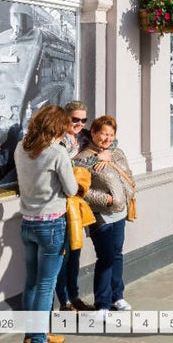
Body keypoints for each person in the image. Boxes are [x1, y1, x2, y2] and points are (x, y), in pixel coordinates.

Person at [14, 104, 77, 343]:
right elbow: (71, 189)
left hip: (27, 221)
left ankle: (31, 336)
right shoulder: (56, 152)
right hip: (51, 224)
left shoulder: (22, 147)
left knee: (31, 282)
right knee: (46, 284)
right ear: (57, 128)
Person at [76, 115, 137, 320]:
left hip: (119, 212)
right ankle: (102, 303)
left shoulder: (116, 152)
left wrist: (125, 195)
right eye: (103, 133)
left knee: (117, 253)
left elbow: (128, 174)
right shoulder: (83, 158)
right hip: (99, 214)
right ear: (93, 132)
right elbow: (81, 189)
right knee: (106, 256)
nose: (107, 138)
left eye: (111, 134)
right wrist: (107, 200)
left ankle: (117, 296)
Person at [54, 100, 101, 312]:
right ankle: (64, 301)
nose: (80, 124)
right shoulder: (57, 140)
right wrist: (93, 159)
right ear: (65, 117)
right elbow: (67, 165)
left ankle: (74, 296)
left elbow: (110, 139)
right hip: (61, 203)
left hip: (78, 203)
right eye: (75, 119)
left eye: (83, 120)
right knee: (64, 254)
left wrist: (104, 153)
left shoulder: (82, 137)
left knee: (75, 252)